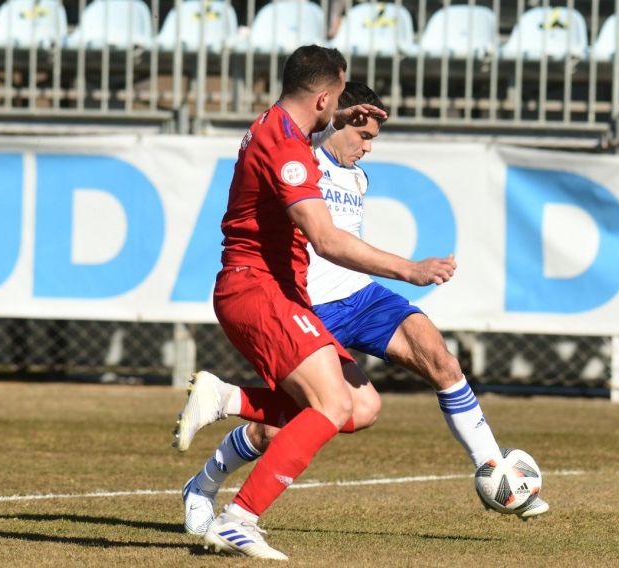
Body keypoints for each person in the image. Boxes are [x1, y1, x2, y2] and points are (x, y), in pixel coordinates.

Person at [175, 81, 549, 545]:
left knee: (440, 359)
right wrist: (409, 268)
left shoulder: (356, 174)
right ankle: (205, 482)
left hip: (362, 297)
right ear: (337, 116)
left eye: (374, 138)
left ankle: (495, 471)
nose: (369, 147)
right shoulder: (301, 151)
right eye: (364, 135)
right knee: (288, 426)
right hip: (305, 305)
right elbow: (306, 149)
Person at [173, 46, 457, 561]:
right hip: (257, 289)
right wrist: (409, 269)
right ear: (324, 96)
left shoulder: (281, 124)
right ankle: (241, 518)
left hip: (279, 292)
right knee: (331, 404)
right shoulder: (285, 145)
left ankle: (229, 400)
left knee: (361, 406)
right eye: (339, 98)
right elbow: (326, 240)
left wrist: (339, 118)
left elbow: (305, 132)